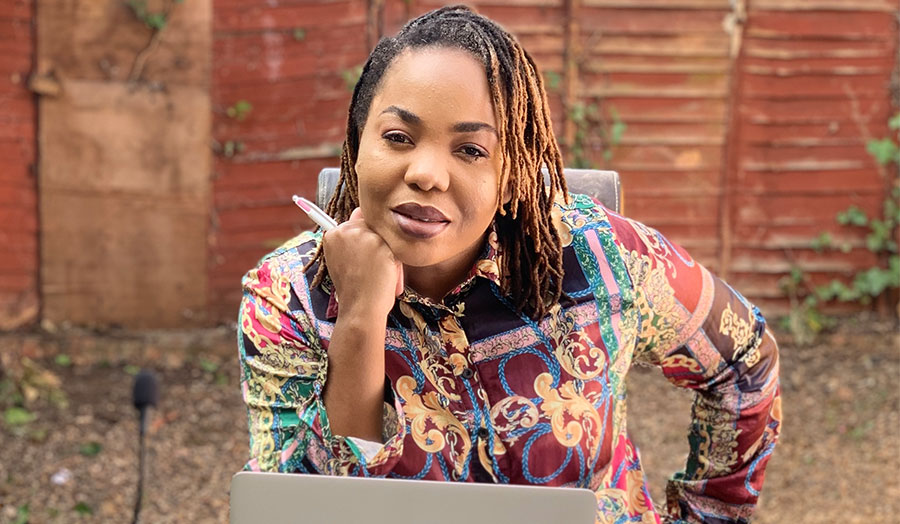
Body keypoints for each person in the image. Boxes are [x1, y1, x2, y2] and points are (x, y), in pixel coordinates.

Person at [237, 5, 781, 523]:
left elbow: (745, 360)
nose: (426, 173)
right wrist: (359, 316)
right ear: (358, 143)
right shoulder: (288, 297)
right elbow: (305, 506)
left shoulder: (601, 257)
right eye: (398, 138)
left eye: (471, 150)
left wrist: (708, 514)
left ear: (512, 170)